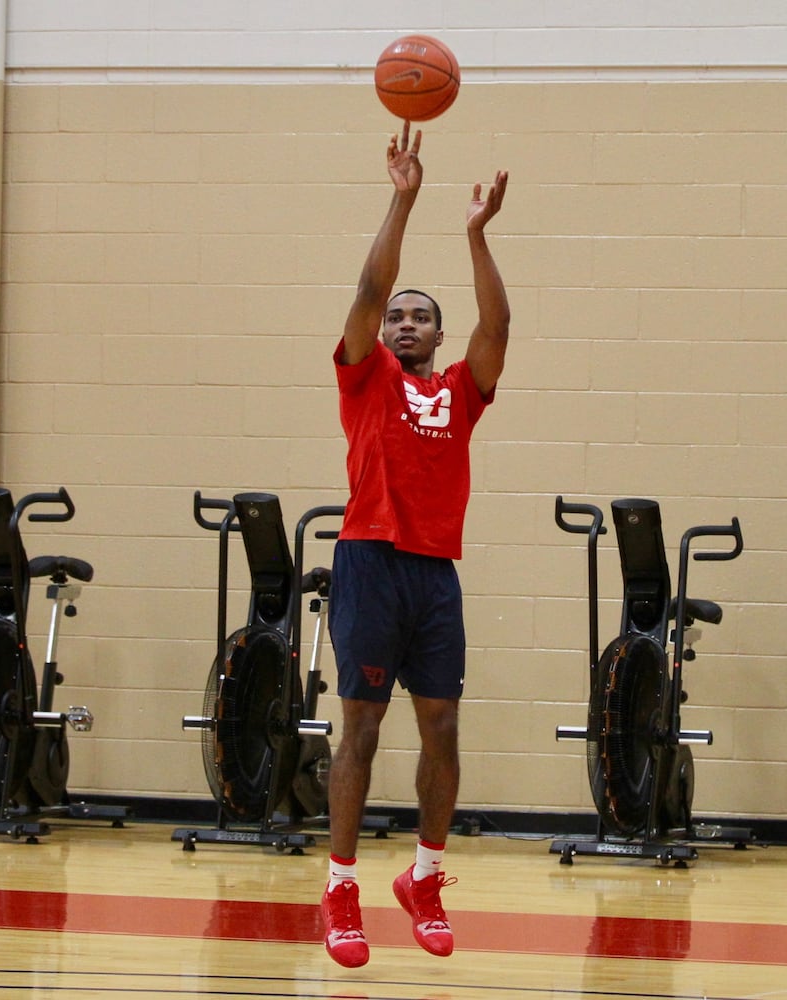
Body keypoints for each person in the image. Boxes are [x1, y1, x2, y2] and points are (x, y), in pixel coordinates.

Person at [321, 122, 509, 969]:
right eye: (396, 316)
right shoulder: (365, 378)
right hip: (366, 560)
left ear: (437, 337)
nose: (402, 321)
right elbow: (367, 286)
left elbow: (498, 327)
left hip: (435, 573)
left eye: (418, 317)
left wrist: (475, 235)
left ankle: (426, 876)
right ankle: (341, 889)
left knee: (443, 731)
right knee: (360, 732)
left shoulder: (461, 394)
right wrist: (404, 201)